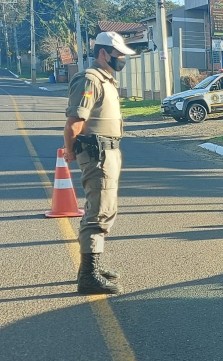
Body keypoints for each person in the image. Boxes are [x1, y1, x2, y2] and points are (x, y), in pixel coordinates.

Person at [63, 31, 135, 295]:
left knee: (103, 209)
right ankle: (88, 275)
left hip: (107, 152)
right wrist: (70, 151)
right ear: (103, 53)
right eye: (118, 55)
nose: (121, 60)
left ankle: (90, 267)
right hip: (98, 154)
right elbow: (74, 123)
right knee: (99, 212)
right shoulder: (90, 79)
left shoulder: (106, 79)